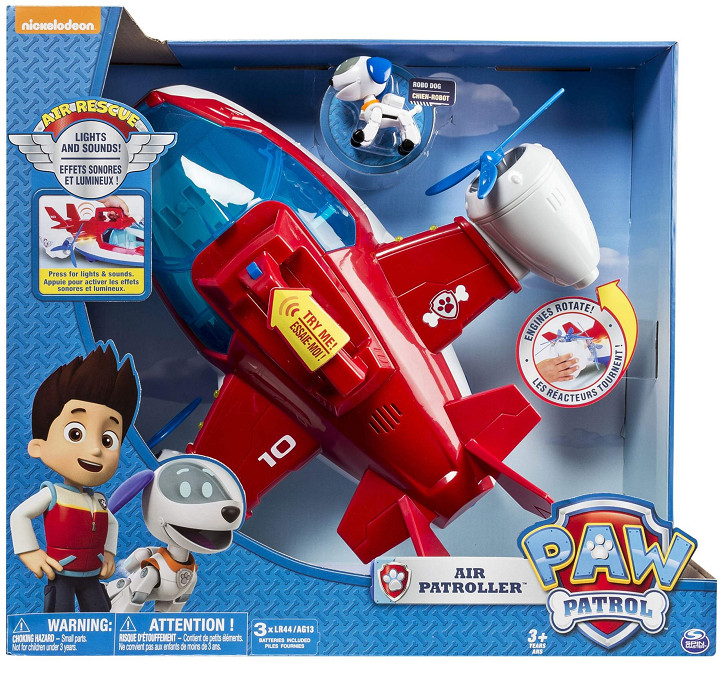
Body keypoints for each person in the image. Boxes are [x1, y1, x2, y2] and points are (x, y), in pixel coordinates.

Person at [10, 344, 140, 612]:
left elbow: (112, 523)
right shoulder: (52, 494)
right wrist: (30, 551)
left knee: (102, 621)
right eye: (76, 434)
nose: (95, 450)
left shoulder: (99, 501)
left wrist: (109, 554)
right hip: (61, 573)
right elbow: (19, 515)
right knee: (59, 623)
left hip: (92, 575)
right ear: (39, 446)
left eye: (108, 439)